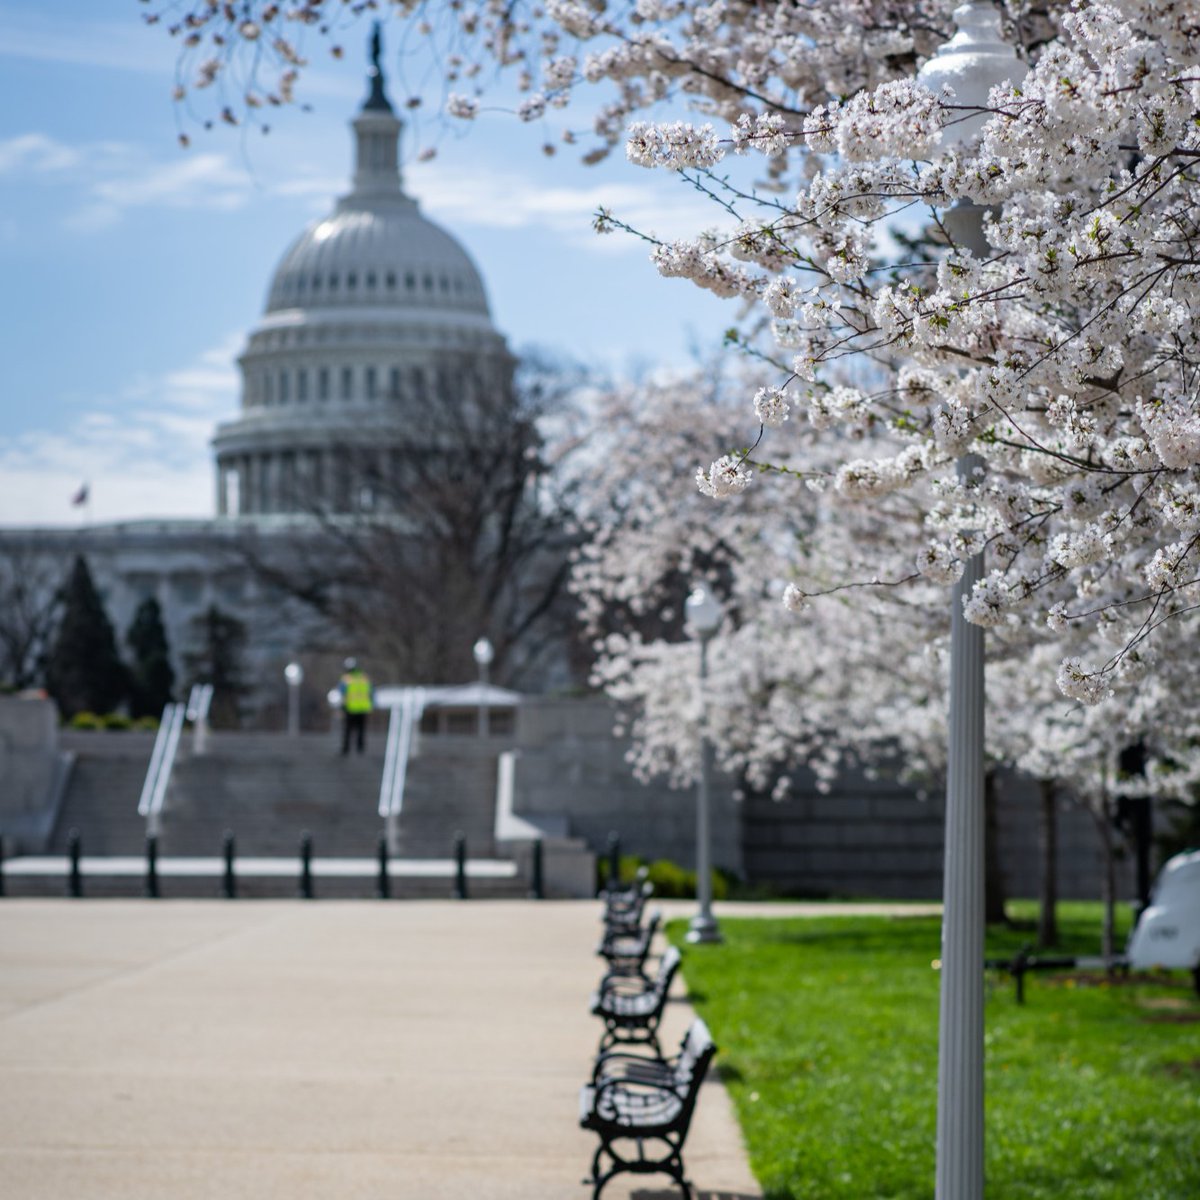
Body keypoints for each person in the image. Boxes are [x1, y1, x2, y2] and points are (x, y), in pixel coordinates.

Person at [338, 658, 374, 755]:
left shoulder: (346, 678)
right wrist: (372, 705)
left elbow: (341, 692)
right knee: (361, 729)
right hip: (363, 707)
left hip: (350, 707)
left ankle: (346, 748)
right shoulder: (364, 677)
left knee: (348, 729)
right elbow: (371, 692)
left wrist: (341, 705)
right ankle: (360, 748)